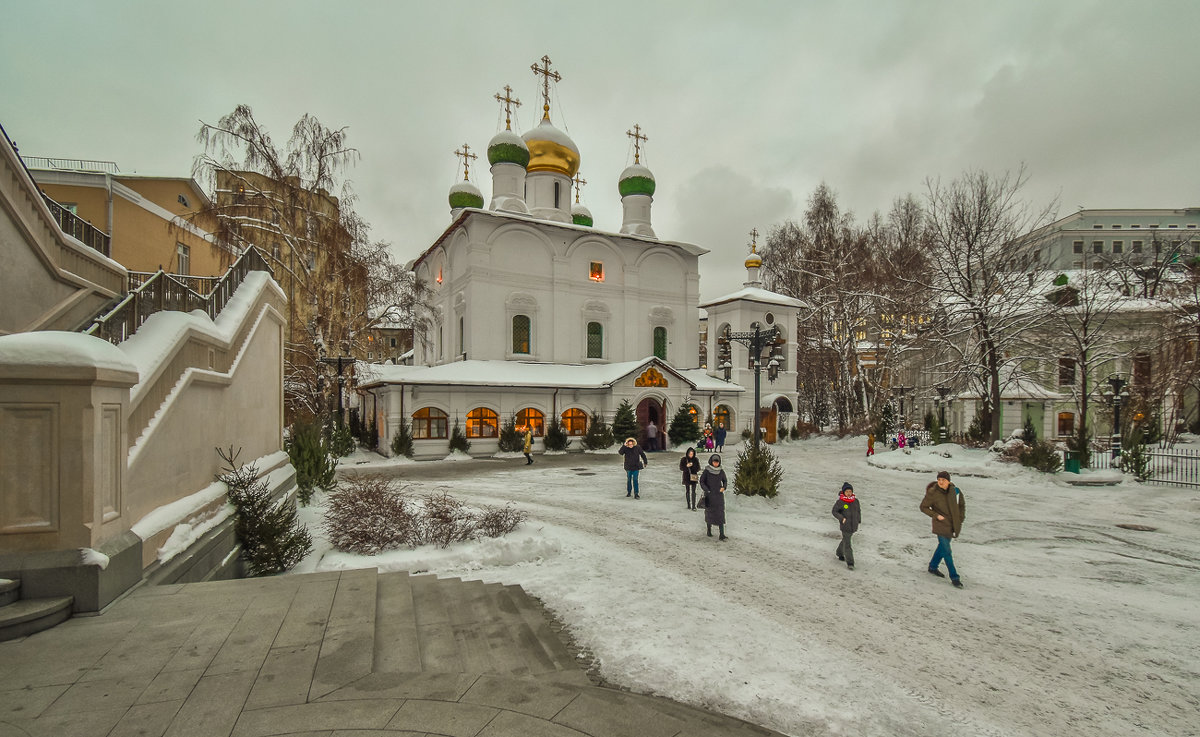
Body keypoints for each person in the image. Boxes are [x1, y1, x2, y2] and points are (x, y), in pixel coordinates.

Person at [920, 470, 966, 588]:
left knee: (942, 547)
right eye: (939, 479)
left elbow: (961, 506)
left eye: (943, 480)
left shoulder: (955, 492)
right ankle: (955, 577)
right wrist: (936, 515)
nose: (940, 482)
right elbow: (923, 507)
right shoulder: (933, 492)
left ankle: (933, 566)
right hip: (940, 524)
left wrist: (960, 518)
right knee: (947, 551)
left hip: (952, 525)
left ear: (948, 482)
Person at [698, 453, 728, 540]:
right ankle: (709, 530)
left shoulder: (721, 471)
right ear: (711, 462)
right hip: (709, 495)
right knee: (709, 513)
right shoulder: (707, 471)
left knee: (720, 514)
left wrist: (724, 487)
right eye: (714, 462)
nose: (716, 464)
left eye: (717, 462)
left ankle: (721, 534)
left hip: (718, 496)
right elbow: (702, 481)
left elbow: (725, 480)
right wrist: (706, 489)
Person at [831, 482, 860, 570]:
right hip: (845, 526)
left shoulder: (855, 501)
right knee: (848, 544)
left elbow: (858, 511)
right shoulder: (840, 502)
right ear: (843, 492)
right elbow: (834, 511)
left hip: (853, 526)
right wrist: (841, 518)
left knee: (845, 540)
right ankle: (850, 563)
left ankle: (839, 553)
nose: (848, 493)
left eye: (850, 491)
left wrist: (858, 520)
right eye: (847, 491)